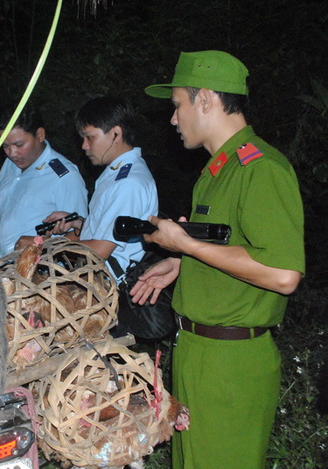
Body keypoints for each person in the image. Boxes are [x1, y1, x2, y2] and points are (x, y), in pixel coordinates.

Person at [132, 50, 304, 468]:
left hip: (232, 363)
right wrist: (182, 262)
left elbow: (283, 274)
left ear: (205, 99)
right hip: (197, 350)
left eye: (177, 106)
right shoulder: (216, 171)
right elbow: (237, 249)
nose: (173, 119)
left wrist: (187, 246)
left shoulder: (260, 170)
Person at [40, 96, 158, 283]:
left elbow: (101, 249)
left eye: (90, 137)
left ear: (116, 134)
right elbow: (107, 229)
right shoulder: (114, 173)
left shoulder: (128, 182)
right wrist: (79, 223)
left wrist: (44, 249)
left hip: (108, 286)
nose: (84, 146)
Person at [0, 102, 87, 258]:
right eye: (5, 146)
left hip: (44, 276)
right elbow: (2, 212)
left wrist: (40, 245)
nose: (12, 153)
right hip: (6, 270)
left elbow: (83, 235)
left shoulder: (65, 177)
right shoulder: (10, 164)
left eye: (19, 144)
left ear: (40, 135)